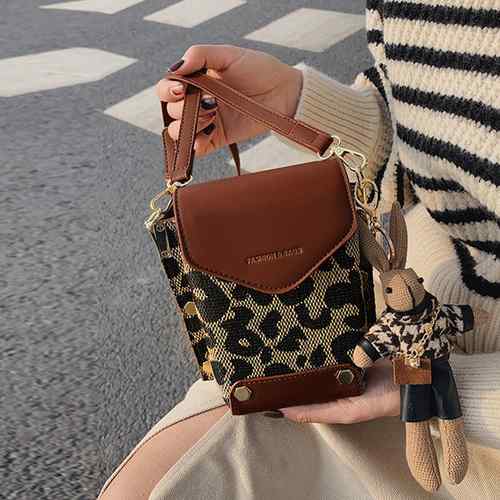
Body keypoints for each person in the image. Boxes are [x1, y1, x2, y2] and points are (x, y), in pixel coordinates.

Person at [99, 2, 500, 498]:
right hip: (381, 319)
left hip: (461, 393)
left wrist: (455, 385)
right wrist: (290, 101)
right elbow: (413, 146)